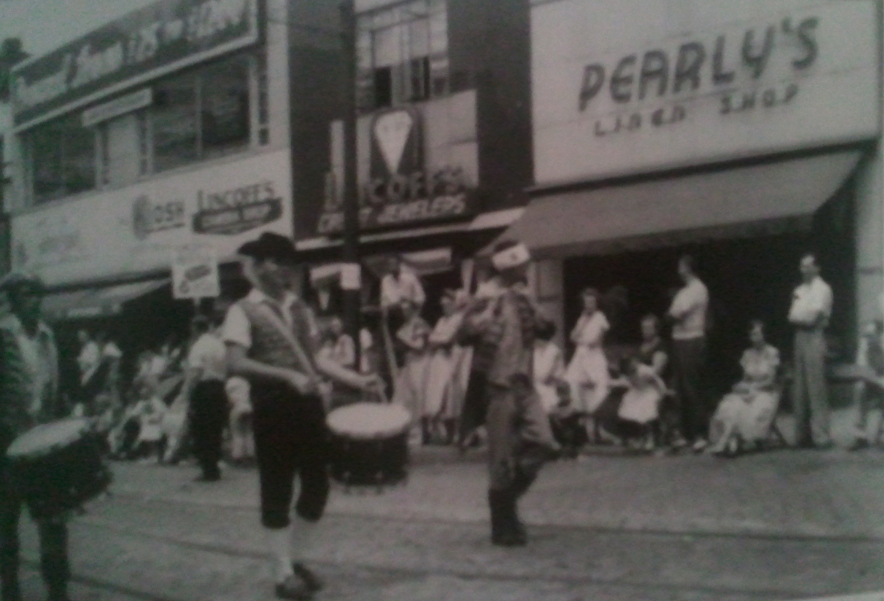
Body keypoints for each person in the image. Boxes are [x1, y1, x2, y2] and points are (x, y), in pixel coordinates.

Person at [222, 232, 378, 600]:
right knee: (277, 488)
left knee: (317, 486)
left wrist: (356, 378)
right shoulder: (241, 310)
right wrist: (287, 375)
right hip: (272, 408)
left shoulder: (300, 308)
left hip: (307, 407)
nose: (285, 270)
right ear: (258, 267)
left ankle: (295, 558)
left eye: (288, 262)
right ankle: (281, 575)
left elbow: (317, 358)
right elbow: (235, 363)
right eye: (276, 262)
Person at [461, 241, 558, 547]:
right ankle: (503, 523)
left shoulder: (524, 296)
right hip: (497, 387)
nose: (527, 268)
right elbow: (463, 333)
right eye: (522, 265)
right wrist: (485, 315)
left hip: (524, 385)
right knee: (500, 460)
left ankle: (506, 499)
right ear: (508, 267)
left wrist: (533, 308)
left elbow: (547, 329)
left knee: (544, 443)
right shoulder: (486, 296)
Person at [0, 272, 72, 601]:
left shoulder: (47, 335)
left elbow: (54, 388)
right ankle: (10, 589)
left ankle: (57, 593)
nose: (37, 301)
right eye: (29, 294)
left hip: (45, 446)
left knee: (55, 524)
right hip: (7, 446)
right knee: (6, 525)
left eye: (40, 294)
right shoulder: (2, 335)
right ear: (13, 300)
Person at [707, 320, 781, 456]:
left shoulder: (772, 352)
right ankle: (732, 441)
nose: (754, 338)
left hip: (766, 392)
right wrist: (742, 387)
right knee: (731, 404)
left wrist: (754, 389)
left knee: (751, 408)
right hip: (748, 390)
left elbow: (771, 380)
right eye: (752, 335)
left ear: (765, 335)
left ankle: (728, 442)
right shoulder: (747, 354)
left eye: (757, 334)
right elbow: (745, 378)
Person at [787, 252, 834, 449]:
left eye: (807, 266)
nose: (803, 270)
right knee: (800, 388)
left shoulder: (823, 289)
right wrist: (800, 315)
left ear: (816, 268)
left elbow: (812, 318)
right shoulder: (799, 289)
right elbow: (791, 315)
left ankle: (821, 436)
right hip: (799, 337)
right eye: (801, 266)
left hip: (814, 336)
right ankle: (802, 436)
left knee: (816, 387)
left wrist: (801, 315)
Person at [666, 254, 710, 453]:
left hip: (691, 341)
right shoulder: (683, 291)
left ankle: (700, 434)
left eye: (680, 266)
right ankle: (685, 434)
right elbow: (671, 315)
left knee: (693, 387)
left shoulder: (697, 289)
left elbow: (675, 315)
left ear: (687, 268)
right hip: (680, 341)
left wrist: (670, 316)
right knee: (681, 388)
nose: (678, 269)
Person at [183, 315, 228, 481]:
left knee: (201, 429)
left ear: (195, 329)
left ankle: (207, 468)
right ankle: (214, 466)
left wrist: (187, 393)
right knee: (215, 429)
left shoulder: (198, 346)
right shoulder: (219, 344)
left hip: (204, 390)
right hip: (219, 388)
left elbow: (196, 371)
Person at [565, 288, 610, 441]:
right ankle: (584, 431)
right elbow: (572, 336)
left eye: (591, 302)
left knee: (598, 391)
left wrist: (580, 340)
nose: (589, 305)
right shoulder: (582, 318)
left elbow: (595, 341)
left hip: (594, 357)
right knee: (576, 388)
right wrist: (582, 325)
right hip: (580, 357)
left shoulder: (600, 318)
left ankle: (599, 429)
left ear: (596, 303)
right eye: (586, 302)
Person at [423, 290, 468, 444]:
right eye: (443, 305)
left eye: (448, 304)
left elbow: (448, 339)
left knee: (451, 394)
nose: (445, 308)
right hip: (438, 359)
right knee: (436, 394)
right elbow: (432, 339)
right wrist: (436, 340)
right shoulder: (442, 321)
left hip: (452, 359)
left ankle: (455, 433)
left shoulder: (458, 319)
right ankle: (440, 432)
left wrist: (436, 340)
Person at [390, 299, 431, 443]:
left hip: (420, 362)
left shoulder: (419, 323)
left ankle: (422, 433)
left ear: (413, 309)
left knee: (418, 395)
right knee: (404, 396)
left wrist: (404, 340)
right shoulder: (406, 325)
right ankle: (409, 431)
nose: (404, 312)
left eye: (407, 309)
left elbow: (420, 346)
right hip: (409, 363)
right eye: (402, 309)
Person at [847, 321, 884, 451]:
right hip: (875, 380)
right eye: (866, 335)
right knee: (860, 387)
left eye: (871, 334)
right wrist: (877, 379)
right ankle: (860, 435)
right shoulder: (866, 342)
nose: (867, 338)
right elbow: (862, 368)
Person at [533, 319, 566, 414]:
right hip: (535, 387)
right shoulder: (533, 350)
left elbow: (544, 376)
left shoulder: (553, 352)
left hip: (549, 389)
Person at [226, 376, 255, 465]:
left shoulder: (229, 382)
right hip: (248, 408)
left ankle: (238, 455)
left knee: (237, 433)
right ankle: (250, 454)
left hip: (237, 408)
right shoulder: (245, 382)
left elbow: (229, 398)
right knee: (248, 432)